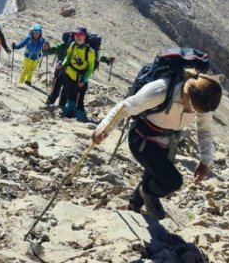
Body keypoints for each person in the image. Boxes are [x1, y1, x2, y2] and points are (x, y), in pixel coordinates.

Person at [91, 68, 222, 220]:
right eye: (194, 109)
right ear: (187, 94)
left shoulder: (202, 102)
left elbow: (204, 131)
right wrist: (104, 129)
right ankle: (146, 192)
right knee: (172, 181)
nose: (196, 113)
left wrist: (205, 161)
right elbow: (127, 106)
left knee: (154, 174)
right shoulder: (161, 90)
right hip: (143, 138)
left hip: (168, 141)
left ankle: (134, 204)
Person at [58, 27, 96, 122]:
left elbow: (91, 68)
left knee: (80, 97)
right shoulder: (73, 45)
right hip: (70, 73)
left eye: (80, 34)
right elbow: (68, 56)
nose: (78, 37)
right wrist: (63, 64)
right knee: (68, 92)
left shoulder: (90, 51)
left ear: (85, 36)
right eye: (76, 34)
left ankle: (79, 115)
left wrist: (84, 80)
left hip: (81, 76)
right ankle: (67, 111)